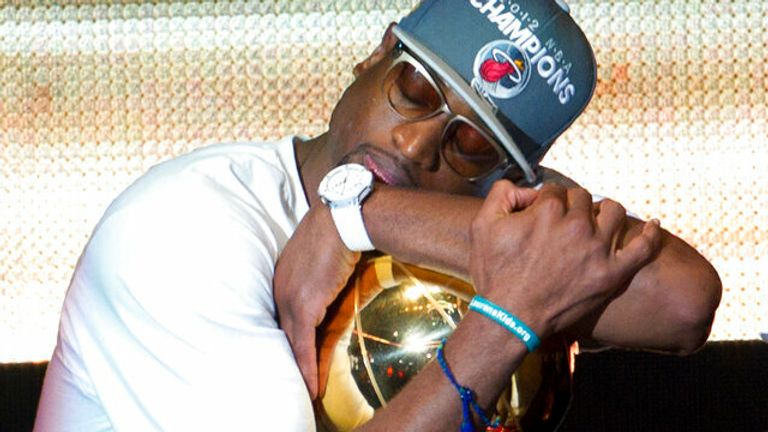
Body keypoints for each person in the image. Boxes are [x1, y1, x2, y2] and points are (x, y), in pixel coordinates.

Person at [35, 0, 721, 431]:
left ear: (509, 178)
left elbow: (685, 304)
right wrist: (507, 321)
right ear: (376, 52)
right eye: (415, 89)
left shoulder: (474, 206)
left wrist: (361, 217)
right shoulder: (184, 226)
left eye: (471, 141)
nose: (417, 143)